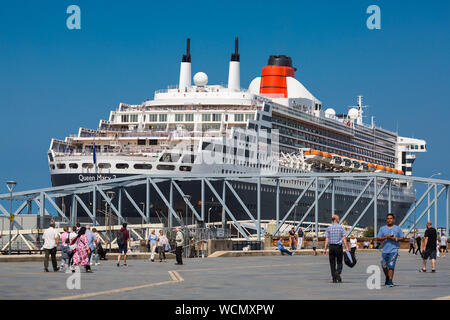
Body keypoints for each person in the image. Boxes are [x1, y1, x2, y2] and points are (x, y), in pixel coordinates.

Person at [377, 213, 404, 287]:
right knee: (384, 266)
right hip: (385, 250)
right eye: (388, 218)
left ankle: (390, 281)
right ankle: (387, 277)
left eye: (391, 218)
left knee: (391, 265)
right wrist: (386, 237)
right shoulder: (382, 228)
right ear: (386, 220)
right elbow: (378, 238)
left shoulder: (397, 228)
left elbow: (402, 237)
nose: (389, 220)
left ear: (393, 219)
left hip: (394, 250)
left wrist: (395, 238)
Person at [323, 215, 349, 283]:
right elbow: (344, 238)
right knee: (339, 262)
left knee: (332, 263)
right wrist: (346, 247)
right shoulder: (341, 227)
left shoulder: (328, 228)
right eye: (338, 219)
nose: (339, 220)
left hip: (331, 247)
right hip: (338, 247)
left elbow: (326, 239)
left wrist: (325, 249)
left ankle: (334, 279)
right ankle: (337, 272)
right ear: (336, 220)